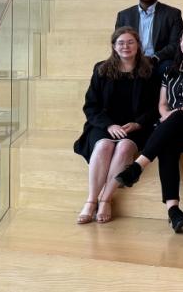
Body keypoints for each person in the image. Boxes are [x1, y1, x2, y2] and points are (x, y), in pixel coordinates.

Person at [114, 26, 183, 233]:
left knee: (177, 117)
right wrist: (167, 116)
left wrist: (176, 113)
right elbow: (162, 105)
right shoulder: (170, 70)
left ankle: (136, 168)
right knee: (166, 145)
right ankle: (174, 211)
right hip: (173, 127)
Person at [73, 27, 160, 225]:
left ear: (138, 45)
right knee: (104, 145)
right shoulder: (101, 69)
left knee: (123, 147)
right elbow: (91, 106)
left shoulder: (150, 71)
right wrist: (110, 125)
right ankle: (91, 200)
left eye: (130, 42)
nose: (126, 46)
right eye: (121, 43)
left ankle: (105, 200)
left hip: (136, 128)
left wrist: (138, 124)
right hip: (103, 126)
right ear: (114, 46)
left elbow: (154, 107)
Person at [115, 0, 183, 70]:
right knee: (100, 67)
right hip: (130, 59)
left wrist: (154, 57)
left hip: (160, 61)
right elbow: (117, 42)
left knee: (168, 67)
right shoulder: (124, 15)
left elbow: (176, 43)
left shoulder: (172, 14)